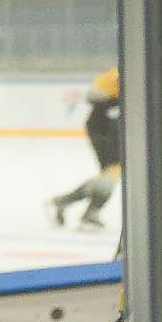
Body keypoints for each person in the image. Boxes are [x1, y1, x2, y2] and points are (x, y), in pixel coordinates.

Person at [47, 66, 122, 231]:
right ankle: (87, 212)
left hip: (107, 126)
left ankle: (64, 203)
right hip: (104, 127)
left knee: (110, 174)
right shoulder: (122, 72)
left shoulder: (124, 70)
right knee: (112, 172)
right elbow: (93, 96)